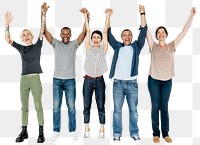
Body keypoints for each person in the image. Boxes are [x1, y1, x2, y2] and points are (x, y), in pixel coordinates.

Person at [146, 7, 196, 143]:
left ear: (166, 35)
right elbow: (146, 30)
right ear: (156, 36)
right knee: (155, 107)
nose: (161, 34)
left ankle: (165, 133)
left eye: (163, 32)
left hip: (167, 81)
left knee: (164, 107)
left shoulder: (172, 45)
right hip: (153, 81)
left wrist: (191, 15)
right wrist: (142, 13)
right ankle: (156, 134)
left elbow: (184, 32)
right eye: (158, 32)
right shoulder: (152, 46)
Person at [43, 5, 90, 141]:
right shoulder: (55, 43)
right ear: (60, 35)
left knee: (71, 107)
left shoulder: (74, 44)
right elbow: (45, 31)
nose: (65, 35)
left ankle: (73, 130)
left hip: (70, 80)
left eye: (67, 33)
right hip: (57, 80)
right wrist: (43, 15)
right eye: (63, 33)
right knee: (56, 107)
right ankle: (56, 130)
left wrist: (86, 17)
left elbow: (85, 32)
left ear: (70, 35)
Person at [4, 2, 49, 143]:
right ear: (22, 38)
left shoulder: (38, 45)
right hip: (23, 80)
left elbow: (42, 29)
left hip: (35, 78)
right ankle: (24, 131)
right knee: (24, 106)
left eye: (28, 34)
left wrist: (43, 14)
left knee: (38, 105)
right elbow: (7, 39)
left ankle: (41, 132)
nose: (26, 36)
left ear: (31, 36)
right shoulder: (21, 48)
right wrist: (7, 25)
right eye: (24, 35)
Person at [107, 5, 147, 142]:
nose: (127, 36)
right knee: (117, 111)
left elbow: (143, 32)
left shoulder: (136, 46)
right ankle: (117, 133)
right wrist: (108, 17)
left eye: (129, 34)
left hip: (132, 84)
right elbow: (107, 35)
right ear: (121, 37)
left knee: (133, 111)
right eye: (124, 35)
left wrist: (142, 13)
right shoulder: (117, 46)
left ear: (132, 37)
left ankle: (134, 133)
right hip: (118, 83)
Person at [79, 8, 112, 138]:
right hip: (87, 80)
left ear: (101, 39)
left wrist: (108, 16)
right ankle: (86, 128)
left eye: (98, 37)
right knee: (86, 106)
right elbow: (87, 31)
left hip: (99, 81)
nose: (96, 39)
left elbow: (105, 30)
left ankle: (102, 129)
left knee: (101, 106)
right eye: (94, 37)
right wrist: (86, 16)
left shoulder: (104, 49)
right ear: (92, 39)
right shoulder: (88, 47)